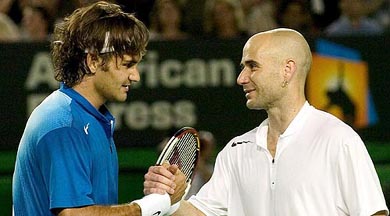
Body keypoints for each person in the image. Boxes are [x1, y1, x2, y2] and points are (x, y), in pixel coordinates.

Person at [143, 28, 389, 215]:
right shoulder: (237, 150)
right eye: (243, 67)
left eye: (252, 66)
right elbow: (203, 212)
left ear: (287, 70)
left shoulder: (338, 139)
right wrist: (172, 201)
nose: (241, 78)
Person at [12, 1, 186, 216]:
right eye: (127, 64)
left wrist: (156, 200)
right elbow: (74, 214)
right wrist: (151, 206)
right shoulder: (65, 124)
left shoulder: (88, 117)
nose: (136, 75)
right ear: (93, 61)